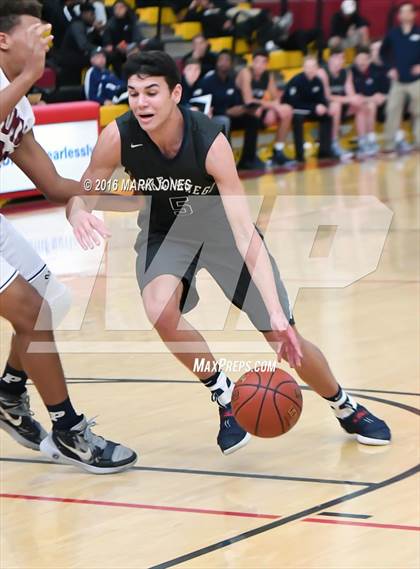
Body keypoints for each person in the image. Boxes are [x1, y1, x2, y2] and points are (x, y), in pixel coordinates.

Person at [67, 50, 391, 456]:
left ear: (176, 93)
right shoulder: (117, 136)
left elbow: (244, 231)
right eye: (134, 94)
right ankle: (223, 394)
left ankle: (345, 406)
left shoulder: (209, 141)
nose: (141, 102)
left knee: (282, 336)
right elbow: (83, 192)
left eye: (152, 92)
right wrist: (78, 212)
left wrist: (274, 309)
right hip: (166, 232)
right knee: (159, 310)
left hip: (222, 232)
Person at [0, 0, 137, 473]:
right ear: (4, 39)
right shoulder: (12, 87)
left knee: (51, 300)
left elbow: (53, 183)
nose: (46, 41)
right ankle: (68, 429)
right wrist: (25, 80)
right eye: (36, 32)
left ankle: (8, 395)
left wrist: (133, 198)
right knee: (32, 313)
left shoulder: (17, 104)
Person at [193, 49, 265, 170]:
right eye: (221, 60)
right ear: (216, 63)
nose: (223, 63)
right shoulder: (208, 81)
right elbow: (202, 104)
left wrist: (244, 108)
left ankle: (248, 159)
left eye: (227, 60)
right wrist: (225, 111)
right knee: (224, 121)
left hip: (232, 114)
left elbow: (237, 102)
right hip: (214, 116)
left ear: (231, 64)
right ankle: (228, 162)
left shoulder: (232, 81)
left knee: (252, 119)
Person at [235, 49, 297, 167]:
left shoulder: (268, 75)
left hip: (257, 109)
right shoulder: (245, 73)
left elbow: (276, 100)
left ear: (267, 64)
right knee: (256, 110)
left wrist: (274, 107)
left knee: (287, 110)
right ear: (252, 62)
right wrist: (271, 105)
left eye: (263, 62)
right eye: (257, 61)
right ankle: (250, 155)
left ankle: (278, 151)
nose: (259, 65)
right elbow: (248, 101)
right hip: (239, 111)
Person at [380, 1, 420, 152]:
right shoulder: (393, 33)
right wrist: (389, 68)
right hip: (398, 81)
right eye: (402, 12)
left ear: (414, 14)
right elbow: (383, 53)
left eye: (408, 11)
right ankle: (389, 145)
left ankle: (418, 143)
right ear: (399, 16)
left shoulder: (419, 32)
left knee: (418, 112)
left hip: (416, 81)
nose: (405, 14)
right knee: (391, 111)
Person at [283, 56, 335, 163]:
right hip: (296, 110)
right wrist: (314, 107)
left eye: (313, 67)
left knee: (326, 116)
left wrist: (325, 107)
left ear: (317, 68)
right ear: (303, 67)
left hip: (311, 110)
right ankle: (300, 155)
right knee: (297, 119)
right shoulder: (296, 81)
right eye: (308, 67)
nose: (310, 69)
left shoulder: (318, 81)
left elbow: (321, 99)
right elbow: (293, 103)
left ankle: (324, 152)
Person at [317, 46, 362, 160]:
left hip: (341, 106)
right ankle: (334, 143)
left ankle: (363, 141)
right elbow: (327, 96)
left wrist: (355, 99)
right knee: (336, 105)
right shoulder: (322, 72)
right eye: (337, 58)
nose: (340, 61)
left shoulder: (346, 72)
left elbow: (351, 93)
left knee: (361, 104)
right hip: (321, 107)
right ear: (330, 59)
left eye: (342, 58)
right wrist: (349, 99)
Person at [351, 47, 386, 156]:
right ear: (355, 60)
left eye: (365, 59)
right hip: (353, 105)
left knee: (372, 105)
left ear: (369, 60)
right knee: (366, 105)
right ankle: (364, 141)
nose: (362, 62)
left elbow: (384, 93)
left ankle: (371, 140)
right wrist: (371, 98)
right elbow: (356, 97)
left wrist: (382, 97)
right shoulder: (350, 73)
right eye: (359, 59)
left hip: (376, 105)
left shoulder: (376, 71)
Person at [57, 2, 102, 86]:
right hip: (69, 59)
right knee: (98, 59)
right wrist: (100, 49)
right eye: (92, 14)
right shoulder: (77, 25)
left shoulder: (82, 25)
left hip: (74, 57)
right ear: (84, 14)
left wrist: (96, 31)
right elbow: (83, 45)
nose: (94, 17)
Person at [103, 0, 143, 78]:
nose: (118, 10)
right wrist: (116, 47)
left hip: (131, 48)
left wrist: (133, 47)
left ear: (126, 9)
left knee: (138, 53)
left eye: (121, 7)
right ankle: (121, 79)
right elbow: (107, 44)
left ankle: (138, 77)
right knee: (114, 56)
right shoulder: (110, 24)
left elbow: (137, 37)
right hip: (117, 50)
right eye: (116, 8)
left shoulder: (132, 20)